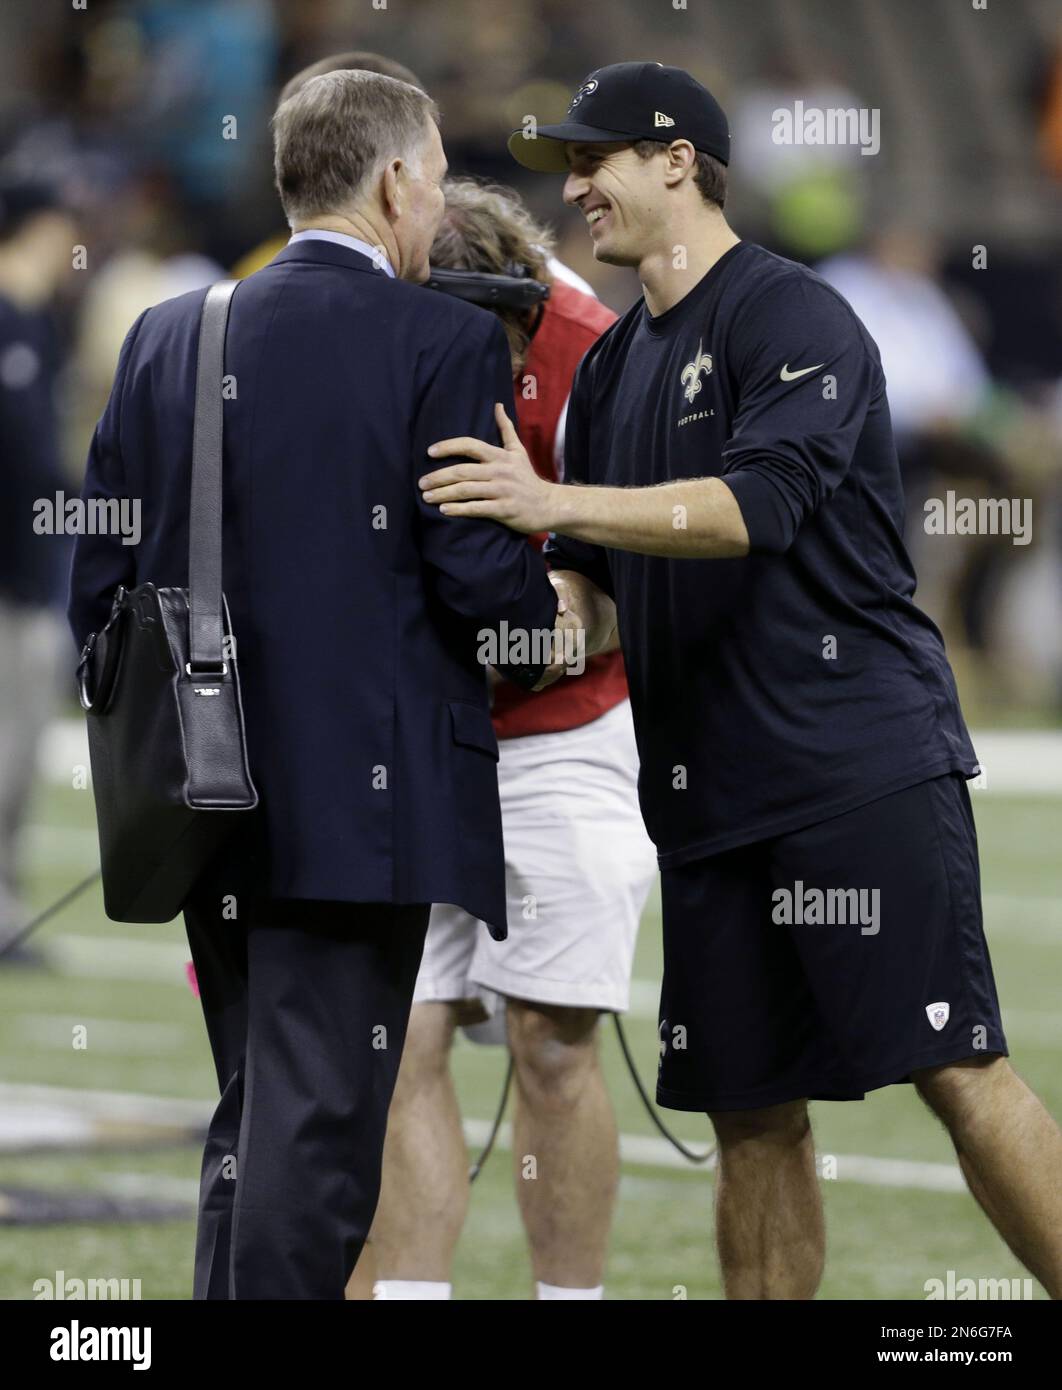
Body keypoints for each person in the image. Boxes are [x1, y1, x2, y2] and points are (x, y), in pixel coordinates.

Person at [418, 62, 1062, 1299]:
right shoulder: (611, 371)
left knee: (957, 1069)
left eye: (595, 160)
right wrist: (468, 614)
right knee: (750, 1114)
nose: (577, 190)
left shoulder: (791, 315)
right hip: (707, 803)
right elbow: (593, 596)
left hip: (851, 768)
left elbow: (750, 509)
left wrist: (549, 497)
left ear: (677, 159)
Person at [67, 69, 558, 1300]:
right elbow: (482, 581)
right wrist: (552, 592)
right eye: (438, 176)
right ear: (394, 180)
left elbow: (101, 574)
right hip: (361, 807)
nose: (438, 202)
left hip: (197, 792)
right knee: (321, 1133)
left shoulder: (172, 330)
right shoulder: (443, 339)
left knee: (259, 1114)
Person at [361, 179, 657, 1302]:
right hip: (413, 728)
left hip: (562, 727)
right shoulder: (364, 331)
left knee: (551, 1038)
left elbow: (629, 594)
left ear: (517, 308)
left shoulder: (602, 362)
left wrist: (525, 632)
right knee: (398, 1037)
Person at [0, 178, 77, 958]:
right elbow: (24, 460)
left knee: (19, 755)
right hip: (9, 575)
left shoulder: (36, 323)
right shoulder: (9, 318)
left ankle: (4, 910)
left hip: (28, 573)